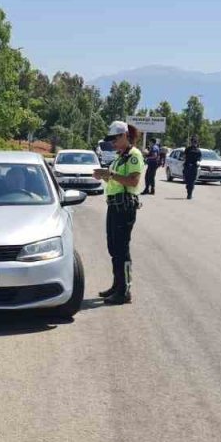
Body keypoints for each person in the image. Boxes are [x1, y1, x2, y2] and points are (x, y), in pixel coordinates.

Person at [92, 121, 143, 305]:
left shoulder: (133, 155)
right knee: (113, 248)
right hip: (114, 205)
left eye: (115, 139)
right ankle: (117, 285)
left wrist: (110, 175)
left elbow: (133, 181)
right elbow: (114, 181)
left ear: (124, 136)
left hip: (125, 207)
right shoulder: (119, 156)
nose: (112, 143)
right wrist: (104, 175)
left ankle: (125, 290)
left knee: (122, 250)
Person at [183, 135, 202, 199]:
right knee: (189, 180)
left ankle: (189, 194)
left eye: (194, 142)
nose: (194, 143)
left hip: (191, 167)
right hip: (190, 166)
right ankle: (189, 191)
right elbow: (185, 157)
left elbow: (199, 159)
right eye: (194, 142)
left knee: (190, 181)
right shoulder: (190, 149)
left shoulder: (196, 150)